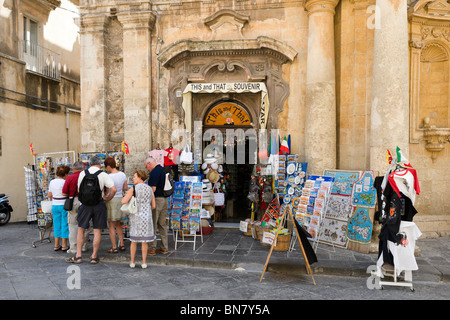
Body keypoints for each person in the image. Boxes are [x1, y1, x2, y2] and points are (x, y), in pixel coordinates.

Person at [66, 156, 116, 264]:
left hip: (85, 205)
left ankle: (78, 255)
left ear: (89, 164)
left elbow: (79, 189)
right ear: (99, 164)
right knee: (97, 230)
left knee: (81, 229)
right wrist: (107, 198)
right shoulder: (103, 174)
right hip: (99, 204)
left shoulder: (82, 174)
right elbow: (114, 189)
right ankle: (94, 256)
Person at [122, 169, 156, 268]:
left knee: (134, 241)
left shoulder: (134, 188)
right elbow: (153, 205)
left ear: (140, 177)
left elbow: (124, 201)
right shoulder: (150, 189)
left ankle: (132, 262)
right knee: (144, 241)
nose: (133, 178)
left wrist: (126, 197)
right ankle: (144, 262)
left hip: (136, 216)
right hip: (146, 217)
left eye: (135, 176)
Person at [62, 161, 90, 254]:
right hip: (86, 201)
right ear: (83, 168)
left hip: (73, 201)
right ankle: (84, 246)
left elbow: (64, 192)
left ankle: (74, 248)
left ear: (73, 169)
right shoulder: (87, 176)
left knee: (73, 225)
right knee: (85, 224)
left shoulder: (70, 177)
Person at [145, 156, 169, 255]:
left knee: (153, 223)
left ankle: (152, 248)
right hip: (164, 199)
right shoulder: (163, 170)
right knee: (162, 224)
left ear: (149, 163)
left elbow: (152, 189)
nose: (147, 169)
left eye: (147, 167)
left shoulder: (154, 172)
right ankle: (164, 247)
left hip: (157, 200)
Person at [104, 156, 128, 253]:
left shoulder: (108, 176)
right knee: (118, 224)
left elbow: (106, 191)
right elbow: (125, 188)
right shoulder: (122, 174)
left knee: (111, 225)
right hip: (120, 199)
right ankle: (121, 244)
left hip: (111, 199)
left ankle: (114, 246)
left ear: (108, 166)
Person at [48, 165, 71, 252]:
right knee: (64, 224)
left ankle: (56, 244)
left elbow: (49, 195)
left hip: (55, 205)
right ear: (65, 174)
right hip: (64, 205)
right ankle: (64, 245)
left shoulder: (52, 182)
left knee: (56, 224)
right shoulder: (65, 182)